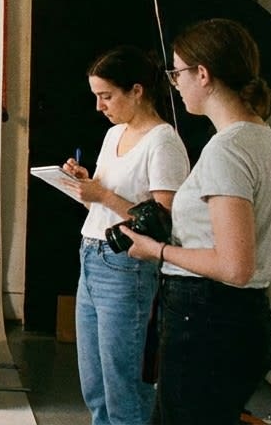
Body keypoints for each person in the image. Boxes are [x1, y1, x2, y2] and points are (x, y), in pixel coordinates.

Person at [119, 18, 271, 425]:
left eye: (177, 73)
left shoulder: (227, 151)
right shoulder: (261, 137)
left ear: (203, 74)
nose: (175, 83)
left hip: (209, 320)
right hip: (235, 318)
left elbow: (234, 266)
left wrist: (157, 249)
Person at [59, 45, 190, 425]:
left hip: (125, 266)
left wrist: (102, 195)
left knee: (122, 385)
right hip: (91, 254)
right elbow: (100, 205)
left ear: (137, 90)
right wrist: (85, 187)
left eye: (106, 96)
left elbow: (164, 221)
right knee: (94, 384)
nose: (100, 106)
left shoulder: (163, 141)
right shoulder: (114, 134)